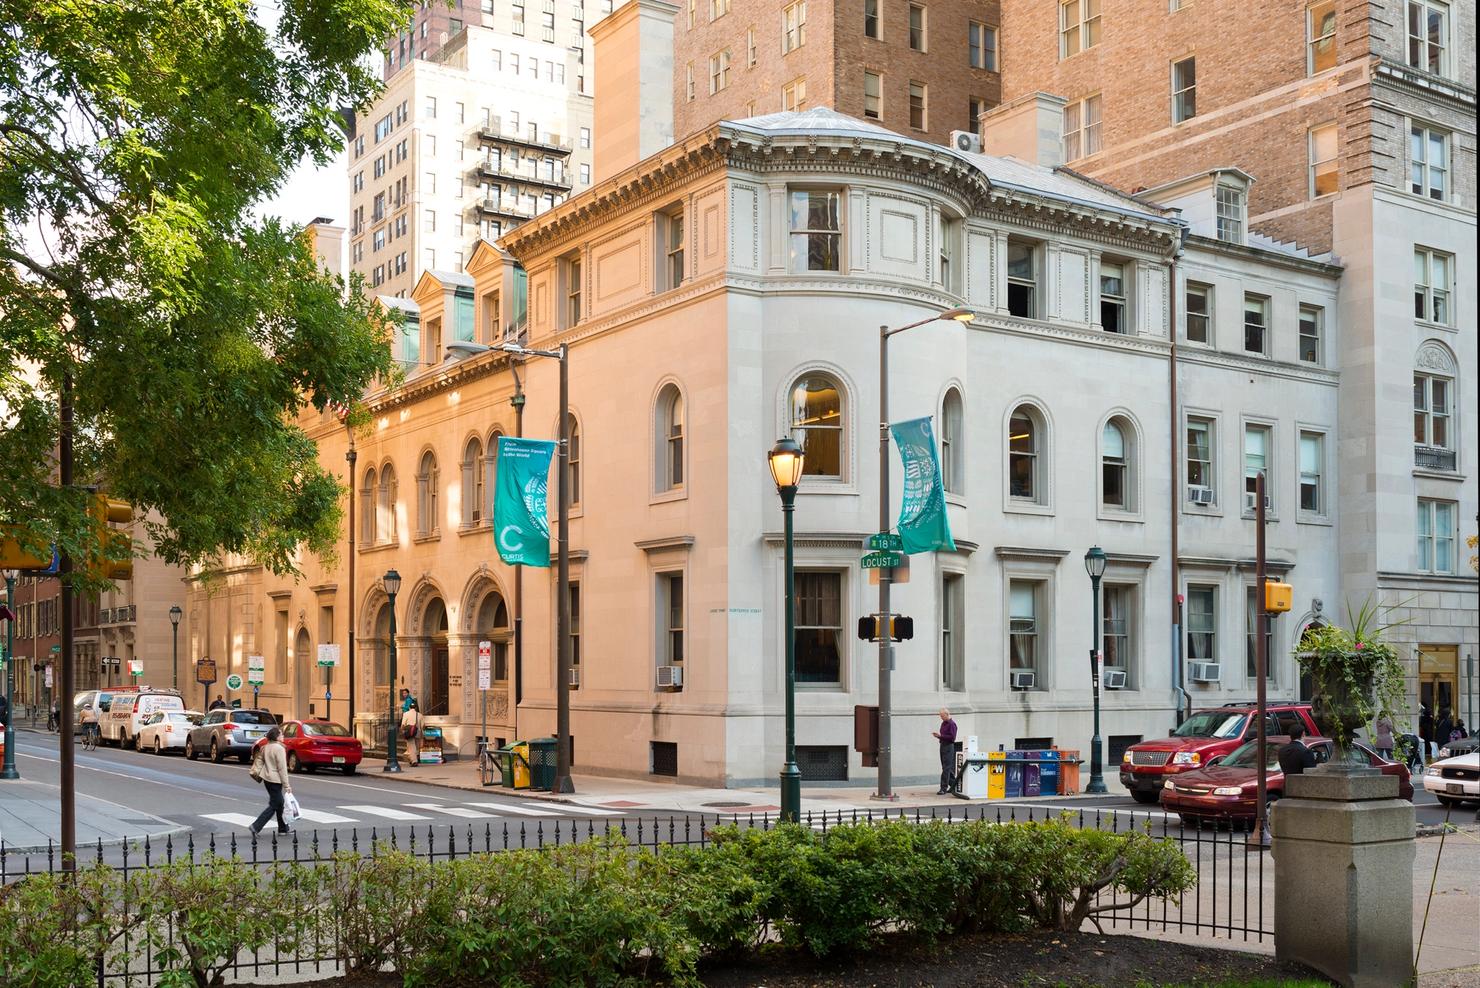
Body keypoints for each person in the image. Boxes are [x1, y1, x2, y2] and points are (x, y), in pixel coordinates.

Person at [248, 726, 294, 836]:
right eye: (281, 734)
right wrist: (287, 785)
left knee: (279, 803)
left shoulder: (265, 747)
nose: (283, 736)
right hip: (275, 780)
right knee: (275, 804)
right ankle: (255, 826)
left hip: (267, 779)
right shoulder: (279, 749)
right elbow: (282, 768)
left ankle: (283, 829)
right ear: (277, 737)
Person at [932, 708, 958, 795]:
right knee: (946, 767)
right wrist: (939, 737)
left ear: (947, 714)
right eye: (940, 716)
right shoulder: (943, 723)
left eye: (942, 716)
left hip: (948, 746)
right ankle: (954, 786)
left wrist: (940, 736)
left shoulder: (952, 724)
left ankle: (943, 788)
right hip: (942, 745)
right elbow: (943, 735)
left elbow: (952, 738)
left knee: (946, 768)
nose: (941, 718)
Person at [402, 699, 421, 766]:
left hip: (409, 732)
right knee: (416, 746)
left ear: (409, 707)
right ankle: (415, 758)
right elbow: (423, 725)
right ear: (415, 708)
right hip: (418, 732)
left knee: (411, 747)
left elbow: (403, 724)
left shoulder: (406, 714)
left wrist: (402, 731)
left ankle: (414, 761)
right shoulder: (420, 715)